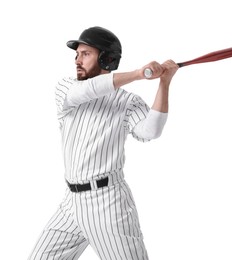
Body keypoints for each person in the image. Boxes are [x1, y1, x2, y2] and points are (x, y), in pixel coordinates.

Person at [28, 26, 178, 260]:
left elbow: (151, 131)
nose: (77, 60)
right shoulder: (66, 89)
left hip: (108, 203)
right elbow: (91, 89)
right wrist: (139, 74)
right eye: (77, 54)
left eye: (85, 54)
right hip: (71, 203)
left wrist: (164, 83)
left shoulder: (128, 101)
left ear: (107, 59)